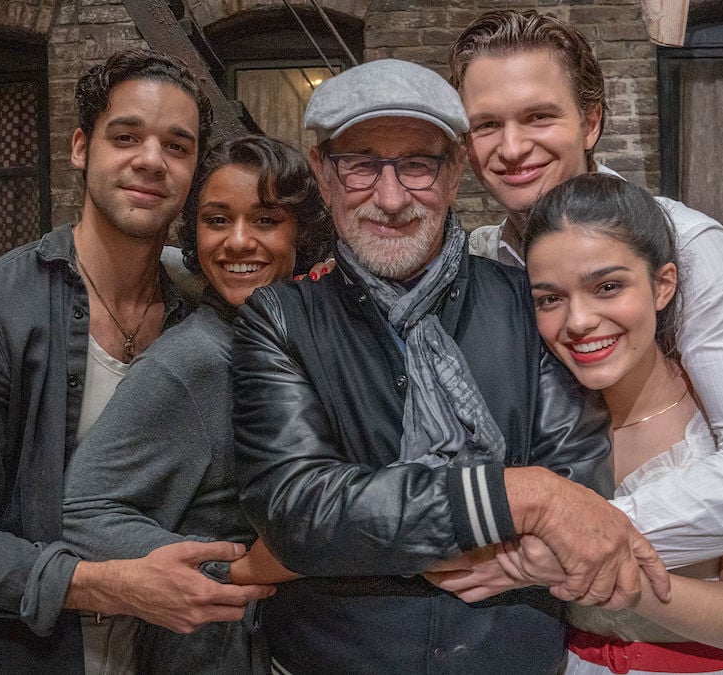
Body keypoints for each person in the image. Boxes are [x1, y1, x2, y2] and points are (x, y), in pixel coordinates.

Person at [431, 11, 723, 672]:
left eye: (539, 116)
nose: (511, 147)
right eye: (487, 124)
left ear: (591, 123)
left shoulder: (684, 244)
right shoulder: (483, 264)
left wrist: (576, 536)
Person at [230, 57, 670, 674]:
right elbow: (300, 512)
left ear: (456, 168)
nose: (390, 198)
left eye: (417, 164)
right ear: (322, 175)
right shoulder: (279, 319)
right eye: (360, 165)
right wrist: (524, 496)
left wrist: (380, 532)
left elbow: (579, 492)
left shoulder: (527, 303)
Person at [0, 49, 273, 673]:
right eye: (126, 136)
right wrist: (110, 584)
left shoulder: (199, 319)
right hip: (6, 655)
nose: (150, 160)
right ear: (81, 147)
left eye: (177, 147)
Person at [525, 173, 723, 673]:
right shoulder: (542, 421)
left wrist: (613, 573)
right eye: (551, 298)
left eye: (608, 287)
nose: (578, 321)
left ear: (663, 285)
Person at [61, 135, 331, 674]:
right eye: (216, 220)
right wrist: (227, 566)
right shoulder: (194, 363)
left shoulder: (295, 339)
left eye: (265, 220)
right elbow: (81, 511)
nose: (237, 242)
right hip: (216, 652)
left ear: (301, 233)